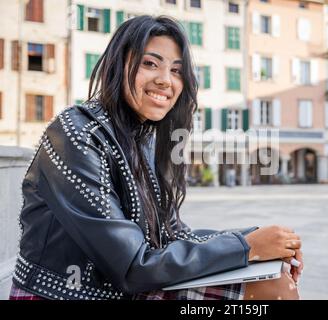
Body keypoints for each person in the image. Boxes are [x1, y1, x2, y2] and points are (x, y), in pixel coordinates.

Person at [9, 15, 302, 301]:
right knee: (269, 291)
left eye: (176, 70)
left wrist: (261, 240)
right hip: (65, 293)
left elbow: (172, 235)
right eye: (150, 64)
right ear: (118, 65)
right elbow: (132, 266)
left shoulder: (144, 138)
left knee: (274, 279)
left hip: (121, 287)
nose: (165, 81)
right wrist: (245, 247)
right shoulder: (76, 134)